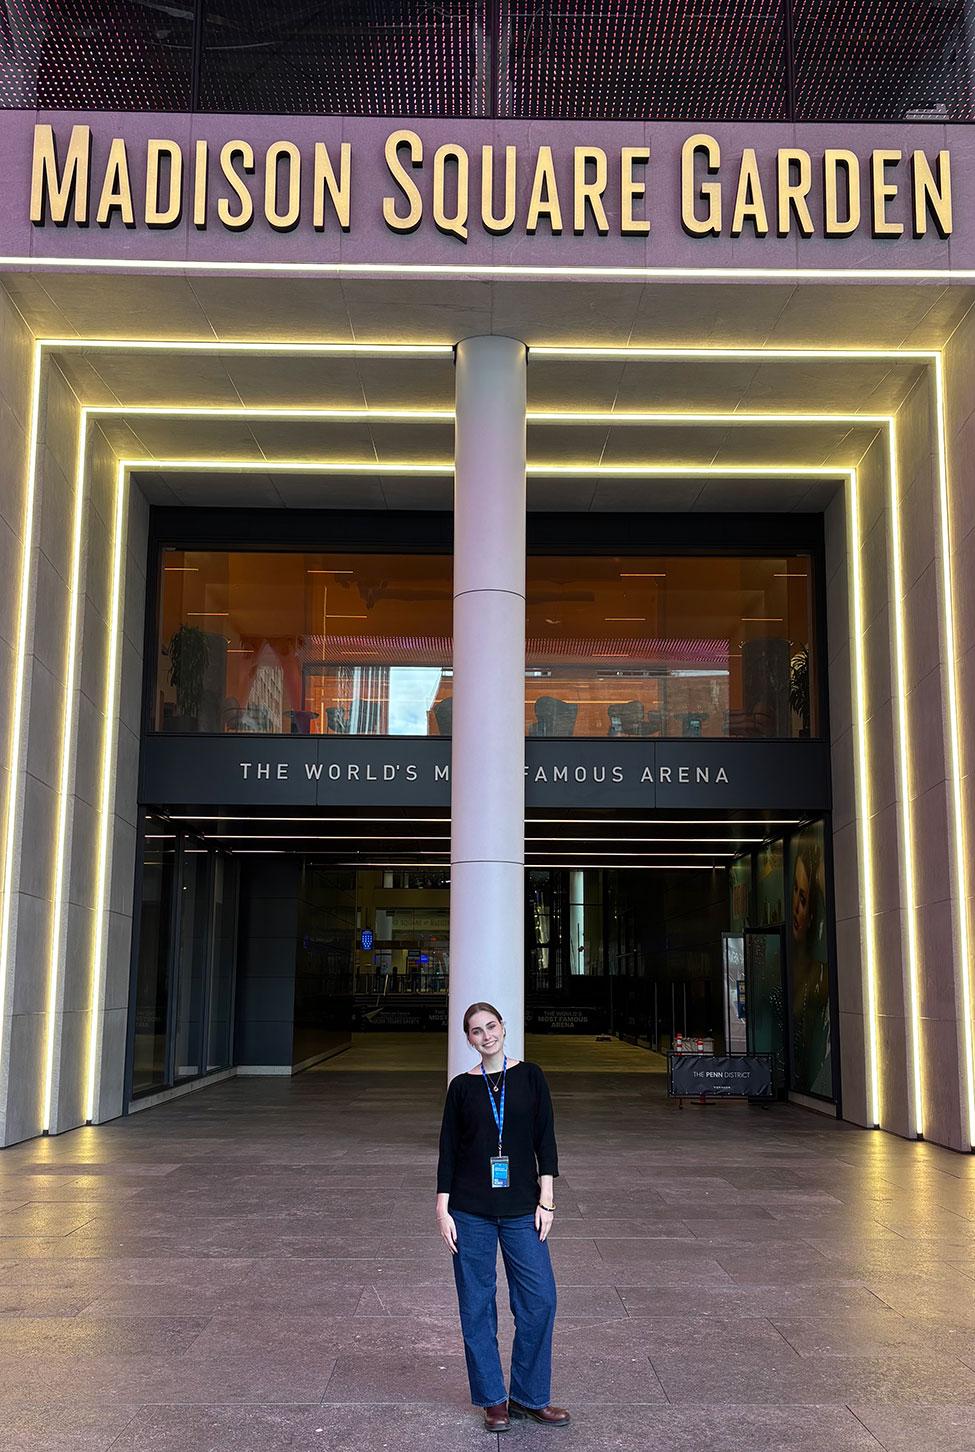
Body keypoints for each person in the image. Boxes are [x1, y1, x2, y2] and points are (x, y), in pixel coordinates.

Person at [436, 1001, 570, 1433]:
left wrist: (546, 1198)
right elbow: (448, 1152)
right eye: (476, 1031)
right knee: (477, 1305)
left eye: (491, 1026)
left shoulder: (530, 1077)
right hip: (470, 1210)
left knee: (539, 1300)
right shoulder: (461, 1087)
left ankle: (530, 1397)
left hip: (521, 1209)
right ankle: (494, 1400)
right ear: (469, 1039)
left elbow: (544, 1141)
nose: (486, 1035)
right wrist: (442, 1205)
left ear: (504, 1028)